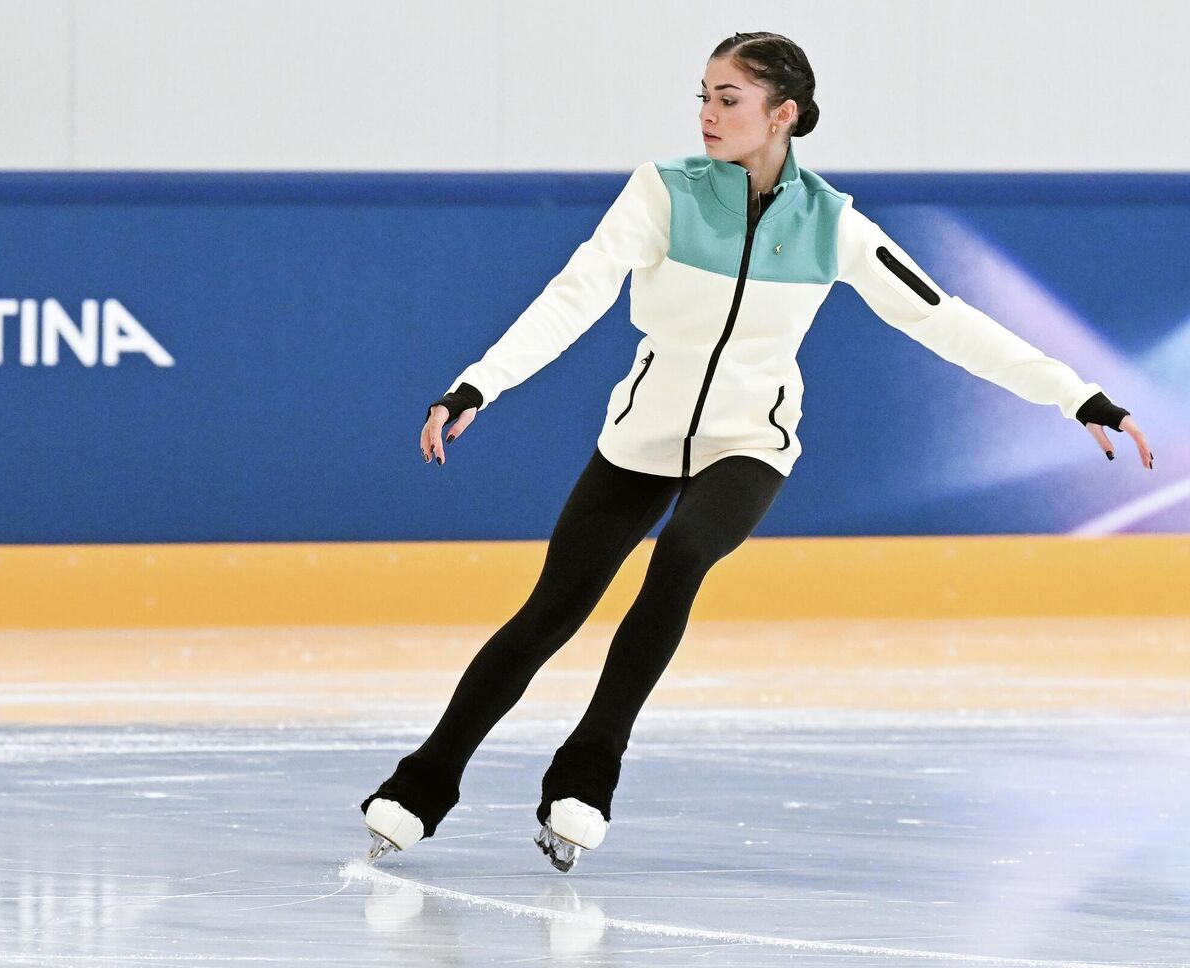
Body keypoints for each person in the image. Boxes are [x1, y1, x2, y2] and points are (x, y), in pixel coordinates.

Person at [361, 31, 1155, 872]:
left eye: (728, 98)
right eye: (703, 96)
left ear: (784, 114)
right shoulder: (662, 192)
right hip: (640, 440)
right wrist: (478, 384)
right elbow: (575, 295)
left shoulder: (833, 224)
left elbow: (944, 318)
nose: (707, 113)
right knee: (549, 613)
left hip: (750, 444)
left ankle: (588, 772)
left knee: (681, 555)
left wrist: (1075, 394)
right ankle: (423, 783)